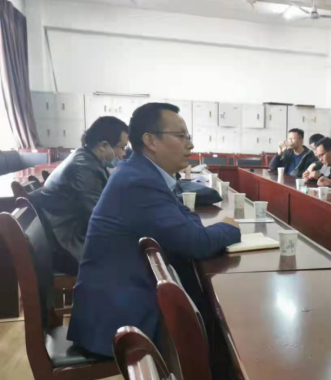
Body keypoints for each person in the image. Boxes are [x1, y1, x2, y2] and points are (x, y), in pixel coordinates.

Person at [67, 103, 242, 357]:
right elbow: (196, 242)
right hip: (119, 315)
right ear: (151, 141)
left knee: (209, 306)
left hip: (123, 296)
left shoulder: (142, 172)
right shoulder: (139, 181)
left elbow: (187, 220)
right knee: (220, 318)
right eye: (181, 136)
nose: (190, 144)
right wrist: (229, 228)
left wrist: (196, 230)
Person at [29, 117, 129, 275]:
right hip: (69, 247)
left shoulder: (87, 159)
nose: (123, 154)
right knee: (135, 258)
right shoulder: (84, 168)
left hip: (68, 237)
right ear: (104, 145)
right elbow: (102, 217)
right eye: (122, 147)